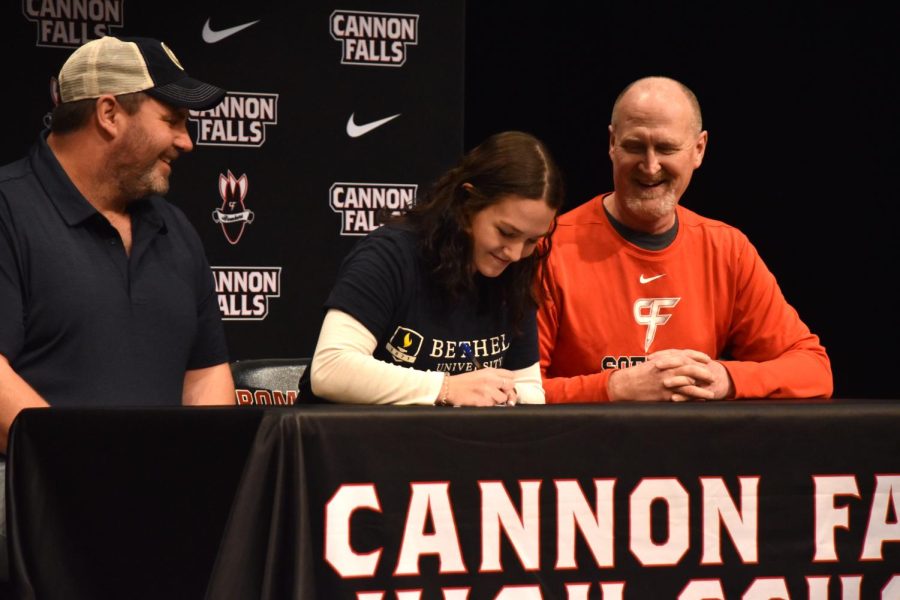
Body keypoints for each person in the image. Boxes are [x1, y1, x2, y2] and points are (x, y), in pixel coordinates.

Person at [0, 35, 236, 453]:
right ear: (109, 113)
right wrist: (79, 472)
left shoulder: (176, 229)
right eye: (172, 119)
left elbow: (204, 376)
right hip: (32, 498)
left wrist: (209, 475)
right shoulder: (9, 209)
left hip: (162, 500)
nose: (187, 141)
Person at [537, 76, 832, 402]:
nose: (650, 167)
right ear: (612, 144)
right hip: (582, 451)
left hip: (693, 452)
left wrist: (725, 378)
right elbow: (518, 391)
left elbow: (813, 369)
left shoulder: (726, 251)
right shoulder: (549, 248)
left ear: (698, 149)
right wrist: (614, 388)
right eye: (635, 146)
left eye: (666, 148)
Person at [306, 131, 564, 406]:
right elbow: (331, 369)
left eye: (531, 241)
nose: (514, 254)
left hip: (444, 445)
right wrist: (447, 388)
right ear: (467, 205)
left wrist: (505, 394)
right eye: (506, 232)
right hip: (349, 443)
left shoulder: (515, 272)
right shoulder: (392, 255)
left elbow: (531, 391)